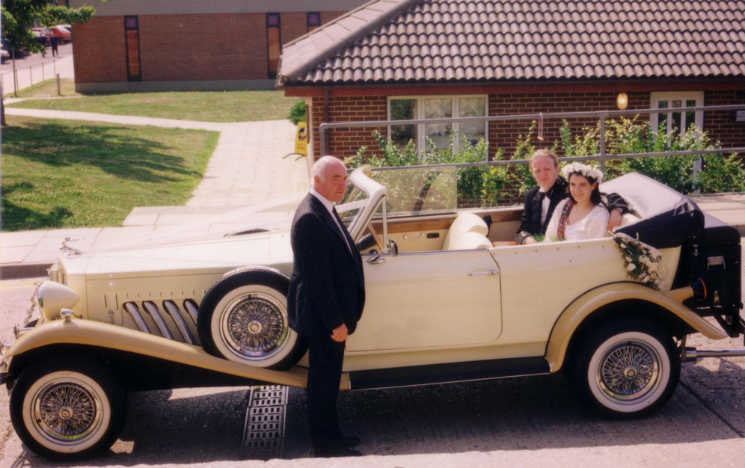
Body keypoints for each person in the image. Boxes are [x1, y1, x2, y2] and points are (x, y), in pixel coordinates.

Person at [287, 155, 366, 458]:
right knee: (321, 384)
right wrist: (336, 323)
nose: (343, 184)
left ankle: (333, 436)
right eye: (336, 178)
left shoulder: (324, 209)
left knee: (329, 380)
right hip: (324, 320)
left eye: (345, 178)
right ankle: (325, 445)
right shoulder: (310, 217)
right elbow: (317, 280)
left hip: (330, 317)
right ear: (317, 180)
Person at [516, 149, 627, 244]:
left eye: (547, 169)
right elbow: (523, 230)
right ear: (532, 173)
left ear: (556, 169)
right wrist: (528, 239)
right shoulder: (531, 195)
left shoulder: (572, 190)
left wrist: (616, 210)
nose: (542, 174)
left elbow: (608, 196)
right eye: (537, 171)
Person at [543, 163, 609, 241]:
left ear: (593, 186)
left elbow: (596, 249)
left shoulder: (597, 214)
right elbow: (550, 238)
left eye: (582, 185)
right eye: (573, 184)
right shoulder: (563, 206)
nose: (576, 190)